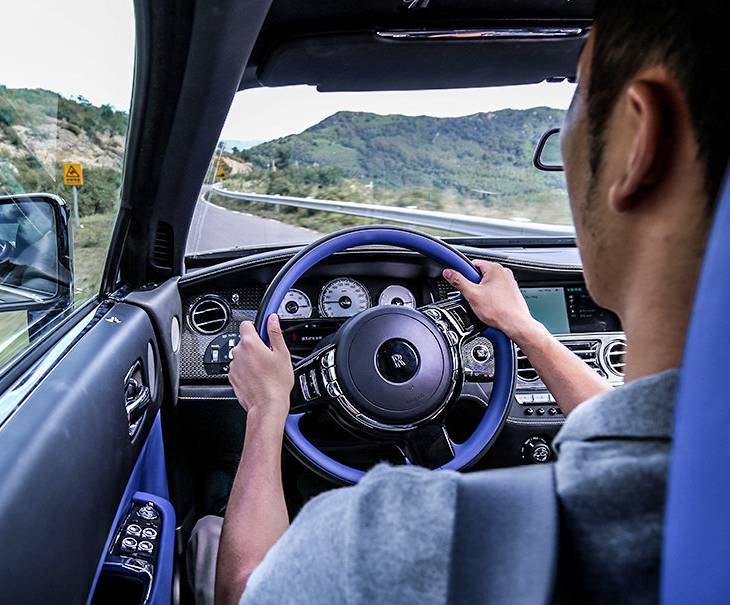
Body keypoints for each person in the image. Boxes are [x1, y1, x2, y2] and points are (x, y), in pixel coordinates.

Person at [206, 2, 730, 603]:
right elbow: (630, 430)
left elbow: (245, 590)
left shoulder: (387, 549)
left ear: (641, 141)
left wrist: (269, 409)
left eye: (578, 98)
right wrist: (526, 333)